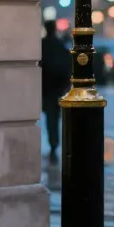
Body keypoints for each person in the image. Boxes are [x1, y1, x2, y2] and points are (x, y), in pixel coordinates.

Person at [41, 22, 71, 159]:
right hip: (56, 88)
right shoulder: (60, 46)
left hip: (44, 87)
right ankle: (54, 143)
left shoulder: (42, 45)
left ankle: (53, 143)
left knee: (50, 117)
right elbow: (67, 67)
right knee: (53, 118)